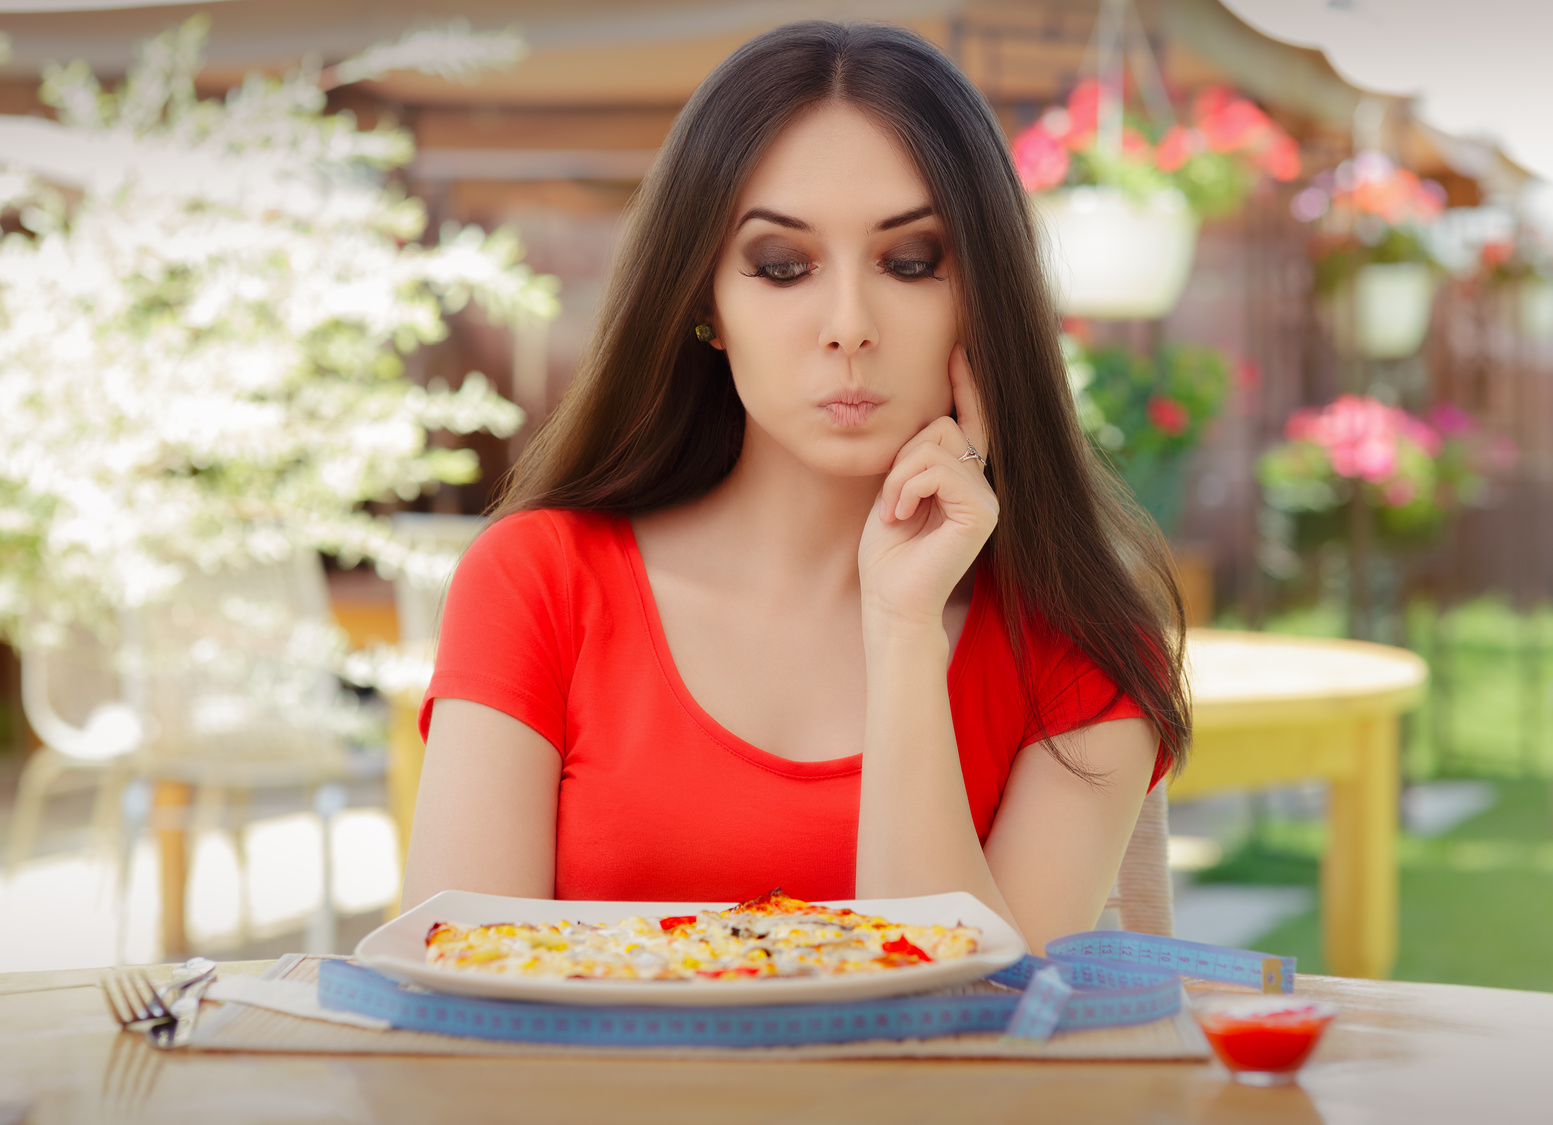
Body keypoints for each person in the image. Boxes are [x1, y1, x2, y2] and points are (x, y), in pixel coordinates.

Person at [402, 21, 1190, 955]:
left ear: (983, 294)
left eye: (911, 262)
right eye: (782, 266)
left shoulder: (1082, 647)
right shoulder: (539, 582)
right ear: (705, 301)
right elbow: (455, 999)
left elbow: (976, 1039)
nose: (849, 324)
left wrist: (901, 634)